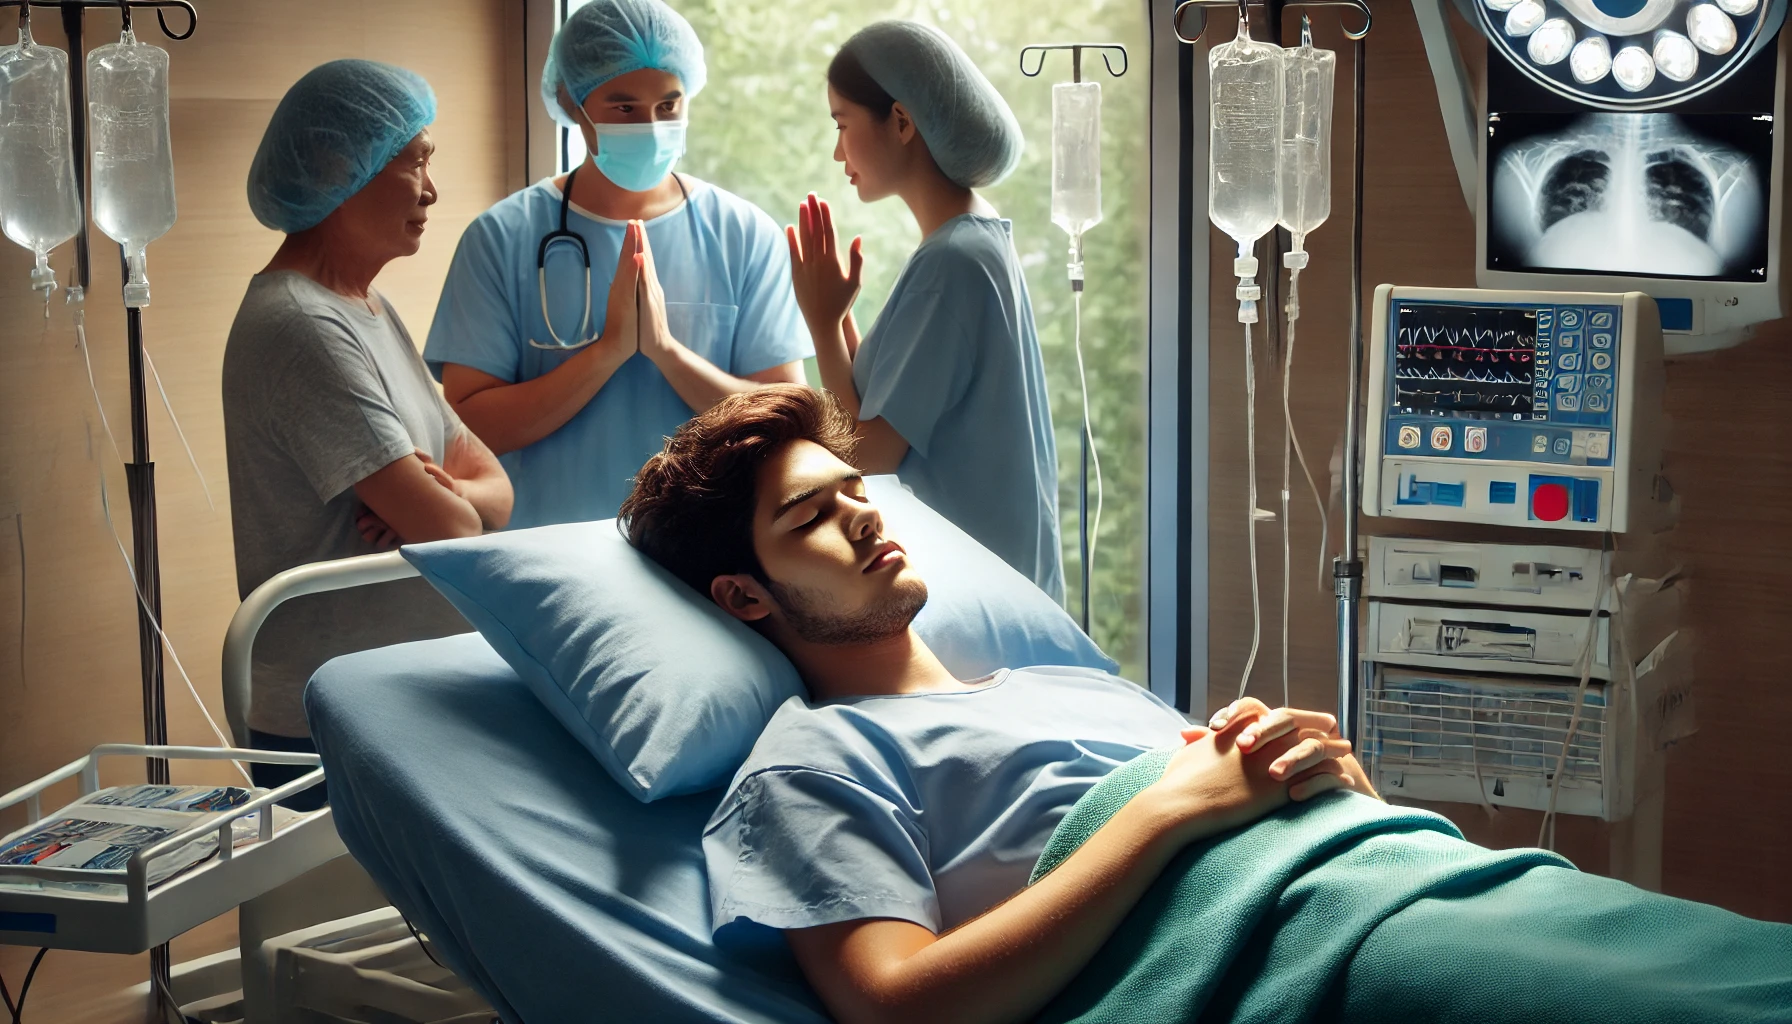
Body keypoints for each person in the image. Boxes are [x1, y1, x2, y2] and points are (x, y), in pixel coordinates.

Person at [620, 385, 1792, 1024]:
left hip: (1431, 885)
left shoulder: (1061, 682)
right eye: (811, 519)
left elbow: (1271, 835)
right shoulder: (813, 763)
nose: (865, 516)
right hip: (1341, 962)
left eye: (856, 488)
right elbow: (891, 1009)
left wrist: (1323, 774)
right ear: (744, 595)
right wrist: (1166, 812)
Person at [225, 60, 512, 809]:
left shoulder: (367, 308)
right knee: (348, 928)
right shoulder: (301, 325)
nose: (431, 189)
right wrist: (448, 504)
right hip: (335, 706)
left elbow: (495, 493)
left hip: (401, 690)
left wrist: (441, 496)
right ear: (336, 169)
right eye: (411, 161)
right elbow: (455, 527)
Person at [424, 0, 810, 529]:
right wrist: (606, 354)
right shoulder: (501, 238)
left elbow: (786, 419)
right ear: (572, 102)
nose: (651, 127)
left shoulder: (743, 234)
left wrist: (667, 353)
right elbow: (471, 426)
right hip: (548, 548)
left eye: (669, 106)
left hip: (700, 551)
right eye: (624, 108)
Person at [786, 20, 1063, 600]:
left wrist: (820, 325)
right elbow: (882, 407)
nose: (838, 151)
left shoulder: (951, 263)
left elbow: (869, 461)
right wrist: (835, 320)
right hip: (990, 584)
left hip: (977, 597)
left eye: (843, 124)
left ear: (902, 121)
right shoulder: (971, 241)